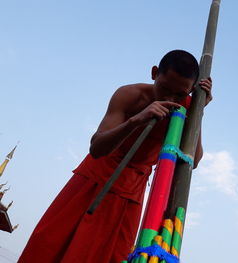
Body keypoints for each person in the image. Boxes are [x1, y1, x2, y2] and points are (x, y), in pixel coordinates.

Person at [18, 50, 213, 263]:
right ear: (154, 73)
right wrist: (136, 120)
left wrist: (197, 113)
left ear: (191, 90)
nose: (170, 98)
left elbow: (192, 161)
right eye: (165, 89)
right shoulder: (130, 95)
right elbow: (96, 148)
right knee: (50, 246)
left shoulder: (183, 109)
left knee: (111, 256)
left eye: (180, 94)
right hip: (93, 182)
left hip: (131, 193)